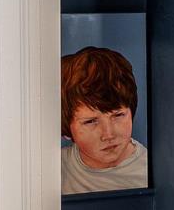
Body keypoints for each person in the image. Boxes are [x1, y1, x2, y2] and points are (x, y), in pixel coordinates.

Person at [61, 46, 149, 194]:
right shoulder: (53, 169)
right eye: (90, 121)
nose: (108, 134)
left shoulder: (151, 170)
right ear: (67, 130)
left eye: (118, 115)